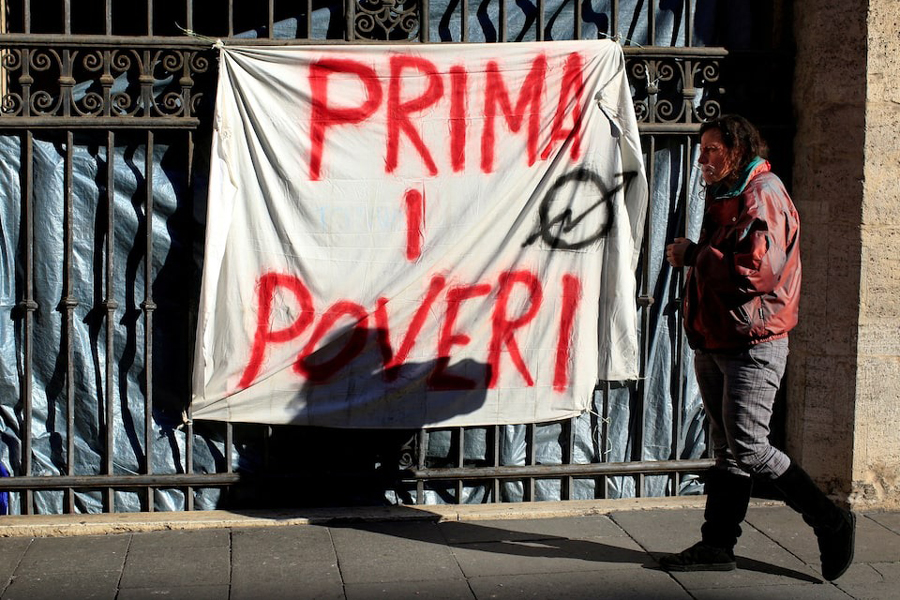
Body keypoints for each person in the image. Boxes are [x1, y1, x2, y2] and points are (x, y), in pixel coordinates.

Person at [661, 115, 855, 581]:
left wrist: (695, 256)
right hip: (717, 338)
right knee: (728, 448)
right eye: (701, 150)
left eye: (712, 150)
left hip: (753, 343)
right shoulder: (729, 193)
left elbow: (757, 273)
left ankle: (831, 520)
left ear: (737, 149)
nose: (703, 160)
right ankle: (716, 545)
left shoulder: (761, 194)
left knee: (750, 447)